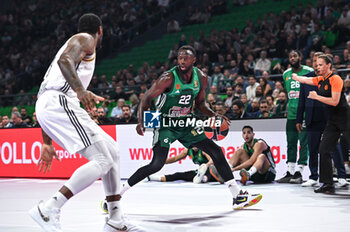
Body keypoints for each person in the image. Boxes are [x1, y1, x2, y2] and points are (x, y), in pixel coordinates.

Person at [28, 13, 140, 232]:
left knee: (112, 151)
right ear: (100, 30)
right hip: (60, 102)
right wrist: (80, 91)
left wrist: (47, 142)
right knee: (101, 158)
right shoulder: (85, 38)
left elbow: (49, 90)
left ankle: (115, 217)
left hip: (49, 104)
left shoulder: (74, 45)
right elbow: (64, 62)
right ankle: (49, 208)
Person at [120, 45, 262, 210]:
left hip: (187, 122)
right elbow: (146, 98)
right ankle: (117, 195)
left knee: (216, 152)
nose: (182, 60)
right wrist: (141, 121)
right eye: (179, 57)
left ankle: (237, 195)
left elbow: (200, 104)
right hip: (166, 123)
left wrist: (213, 115)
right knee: (157, 164)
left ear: (193, 60)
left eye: (185, 57)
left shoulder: (201, 77)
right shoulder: (168, 78)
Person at [292, 54, 350, 194]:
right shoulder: (320, 79)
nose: (317, 67)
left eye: (320, 64)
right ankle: (327, 184)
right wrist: (296, 77)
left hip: (345, 118)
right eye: (316, 65)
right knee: (324, 150)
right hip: (332, 121)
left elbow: (334, 101)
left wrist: (317, 97)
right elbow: (306, 80)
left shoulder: (335, 79)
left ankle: (339, 177)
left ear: (328, 65)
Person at [277, 50, 312, 184]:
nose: (292, 58)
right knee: (291, 142)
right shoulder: (286, 74)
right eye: (290, 56)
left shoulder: (308, 70)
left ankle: (299, 171)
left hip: (304, 113)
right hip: (291, 114)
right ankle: (290, 172)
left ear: (300, 57)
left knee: (304, 143)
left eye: (295, 56)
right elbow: (288, 93)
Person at [147, 147, 224, 184]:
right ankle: (152, 177)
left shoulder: (204, 150)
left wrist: (206, 165)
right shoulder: (187, 150)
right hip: (200, 171)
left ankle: (203, 178)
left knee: (209, 170)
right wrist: (161, 162)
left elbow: (213, 160)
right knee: (180, 175)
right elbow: (175, 158)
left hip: (215, 172)